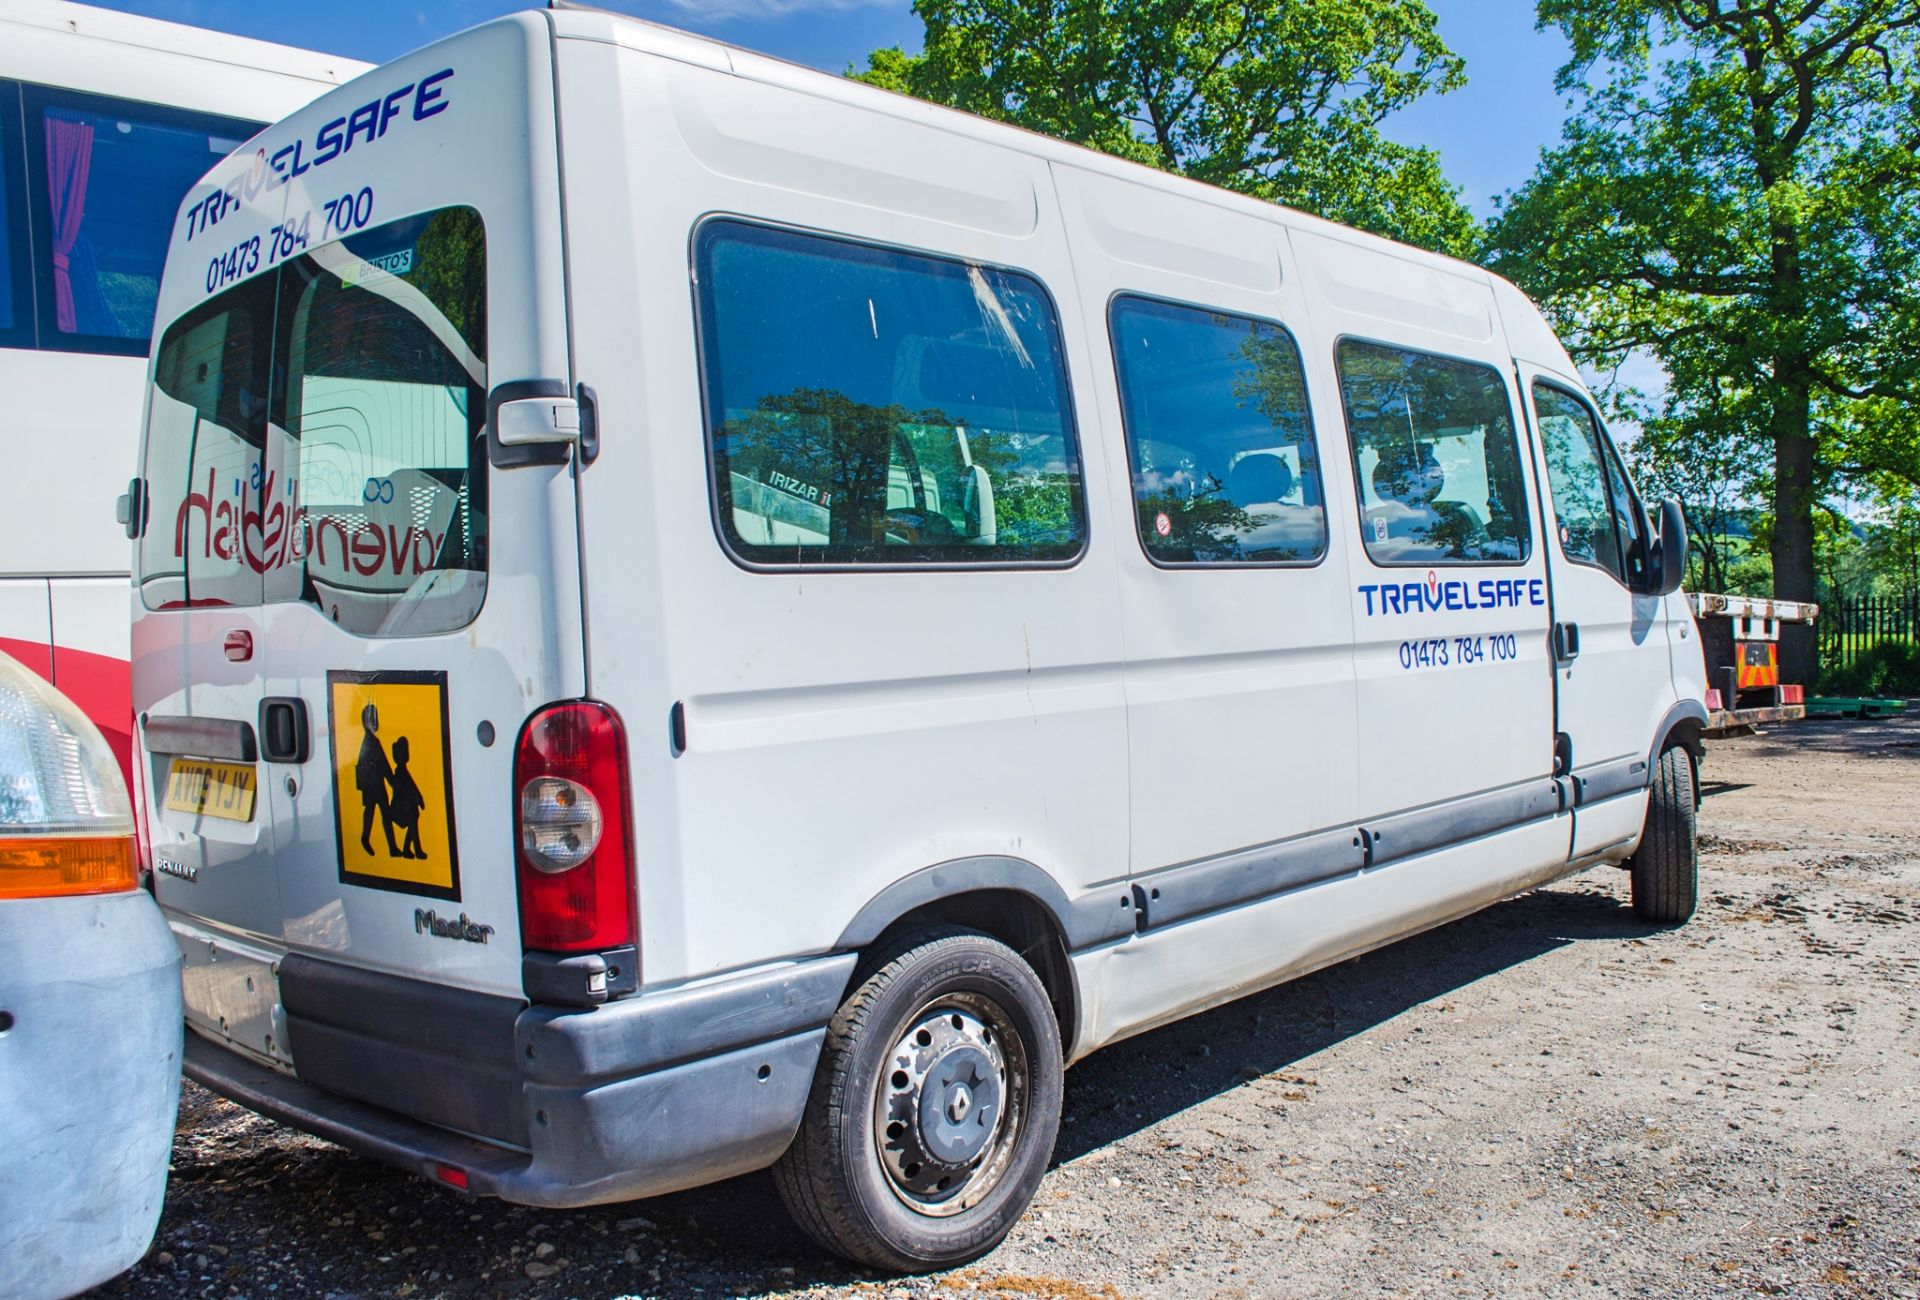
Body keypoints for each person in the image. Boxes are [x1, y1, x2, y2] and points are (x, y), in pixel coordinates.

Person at [355, 703, 401, 857]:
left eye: (376, 719)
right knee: (372, 813)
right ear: (366, 722)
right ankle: (367, 839)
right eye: (372, 719)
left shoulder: (372, 740)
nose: (376, 723)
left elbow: (383, 763)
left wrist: (390, 780)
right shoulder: (370, 742)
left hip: (376, 784)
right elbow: (383, 763)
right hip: (372, 785)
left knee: (381, 814)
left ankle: (391, 846)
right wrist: (391, 780)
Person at [387, 736, 426, 861]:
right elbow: (402, 788)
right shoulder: (400, 772)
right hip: (400, 810)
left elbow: (412, 787)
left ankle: (407, 849)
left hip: (407, 808)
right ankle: (415, 849)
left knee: (413, 821)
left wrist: (419, 799)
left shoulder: (403, 771)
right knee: (412, 822)